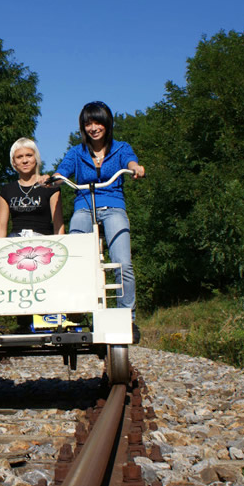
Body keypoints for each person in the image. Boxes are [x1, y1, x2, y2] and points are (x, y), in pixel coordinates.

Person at [54, 101, 145, 341]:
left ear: (107, 123)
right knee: (74, 255)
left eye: (98, 122)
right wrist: (54, 177)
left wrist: (135, 168)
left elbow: (130, 161)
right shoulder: (77, 152)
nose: (93, 128)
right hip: (84, 205)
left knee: (123, 263)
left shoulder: (121, 148)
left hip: (113, 205)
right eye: (88, 123)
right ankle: (75, 310)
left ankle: (128, 318)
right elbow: (62, 171)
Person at [0, 137, 64, 238]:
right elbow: (1, 227)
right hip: (15, 240)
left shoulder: (50, 186)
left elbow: (58, 225)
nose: (24, 160)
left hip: (43, 240)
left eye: (29, 155)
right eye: (19, 157)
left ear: (36, 158)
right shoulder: (7, 190)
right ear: (13, 162)